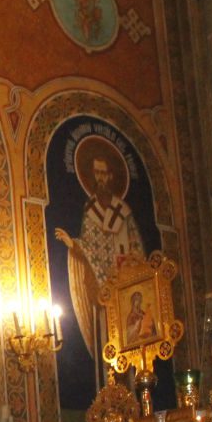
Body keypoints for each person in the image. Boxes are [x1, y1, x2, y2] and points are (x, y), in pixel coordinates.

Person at [56, 137, 142, 363]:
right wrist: (73, 244)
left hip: (125, 285)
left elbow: (136, 246)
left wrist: (133, 270)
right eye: (96, 173)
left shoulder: (123, 210)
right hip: (101, 287)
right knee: (107, 341)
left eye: (103, 173)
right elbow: (90, 245)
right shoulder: (90, 209)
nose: (100, 178)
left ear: (111, 175)